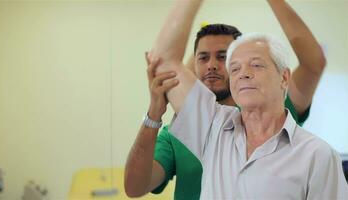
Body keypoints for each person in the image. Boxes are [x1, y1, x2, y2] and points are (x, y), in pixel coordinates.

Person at [124, 0, 327, 199]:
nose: (211, 65)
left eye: (223, 57)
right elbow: (134, 187)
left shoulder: (275, 111)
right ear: (192, 65)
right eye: (203, 58)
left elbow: (313, 63)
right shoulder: (180, 131)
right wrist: (153, 114)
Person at [171, 32, 348, 199]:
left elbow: (314, 62)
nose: (243, 74)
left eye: (256, 65)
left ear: (284, 78)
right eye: (234, 69)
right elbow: (166, 63)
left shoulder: (318, 155)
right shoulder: (213, 128)